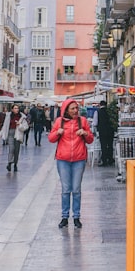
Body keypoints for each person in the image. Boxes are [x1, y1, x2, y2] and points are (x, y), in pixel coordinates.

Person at [48, 98, 94, 228]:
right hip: (63, 160)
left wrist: (85, 133)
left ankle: (76, 217)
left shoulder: (82, 121)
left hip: (79, 159)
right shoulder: (59, 122)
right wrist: (58, 132)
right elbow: (51, 139)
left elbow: (90, 139)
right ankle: (64, 217)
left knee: (76, 189)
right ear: (66, 109)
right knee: (66, 190)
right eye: (72, 108)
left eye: (76, 108)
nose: (75, 111)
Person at [0, 104, 24, 171]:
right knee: (11, 149)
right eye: (15, 108)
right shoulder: (8, 116)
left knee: (16, 150)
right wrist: (2, 132)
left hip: (18, 134)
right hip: (10, 133)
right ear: (12, 109)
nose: (17, 109)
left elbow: (26, 127)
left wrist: (20, 124)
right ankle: (9, 163)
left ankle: (15, 164)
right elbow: (5, 125)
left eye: (17, 108)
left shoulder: (21, 116)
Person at [97, 101, 116, 167]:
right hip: (110, 131)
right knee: (110, 145)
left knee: (103, 146)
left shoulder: (98, 112)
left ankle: (104, 161)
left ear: (100, 105)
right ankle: (110, 159)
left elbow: (95, 122)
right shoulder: (110, 112)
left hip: (102, 131)